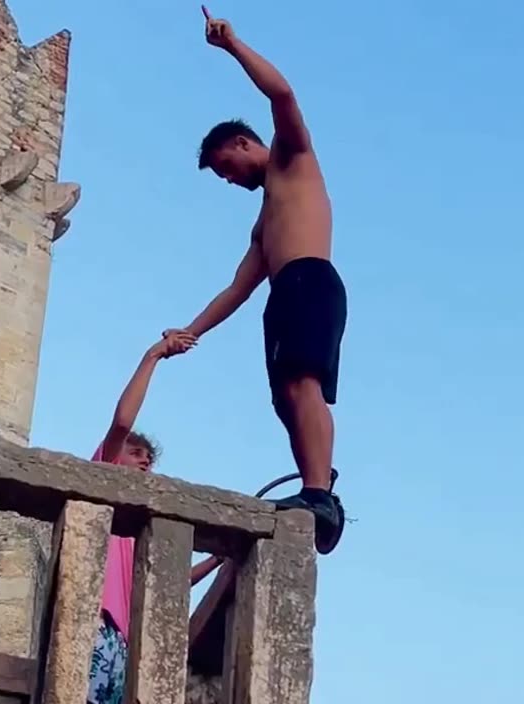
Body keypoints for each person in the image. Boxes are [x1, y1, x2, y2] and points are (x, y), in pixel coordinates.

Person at [162, 6, 348, 555]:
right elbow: (238, 288)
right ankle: (320, 486)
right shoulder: (265, 220)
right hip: (283, 294)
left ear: (244, 144)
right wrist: (190, 332)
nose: (227, 179)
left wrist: (232, 46)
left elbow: (284, 97)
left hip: (310, 281)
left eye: (226, 167)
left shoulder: (292, 161)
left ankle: (319, 493)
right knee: (285, 399)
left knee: (303, 385)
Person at [86, 332, 226, 704]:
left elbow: (171, 580)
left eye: (149, 458)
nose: (145, 461)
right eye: (136, 453)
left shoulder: (132, 533)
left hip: (122, 641)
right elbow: (122, 422)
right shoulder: (105, 480)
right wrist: (153, 356)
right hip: (96, 624)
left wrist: (216, 560)